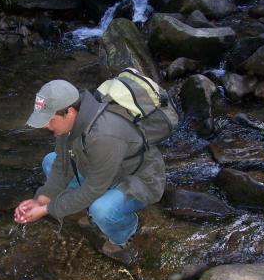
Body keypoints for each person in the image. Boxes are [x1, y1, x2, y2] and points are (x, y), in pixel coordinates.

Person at [14, 79, 166, 264]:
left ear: (69, 112)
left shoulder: (104, 134)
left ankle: (127, 231)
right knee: (50, 161)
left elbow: (93, 189)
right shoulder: (69, 126)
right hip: (104, 171)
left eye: (49, 120)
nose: (46, 126)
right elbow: (63, 165)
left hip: (139, 179)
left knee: (101, 210)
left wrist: (48, 209)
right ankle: (91, 209)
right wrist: (40, 199)